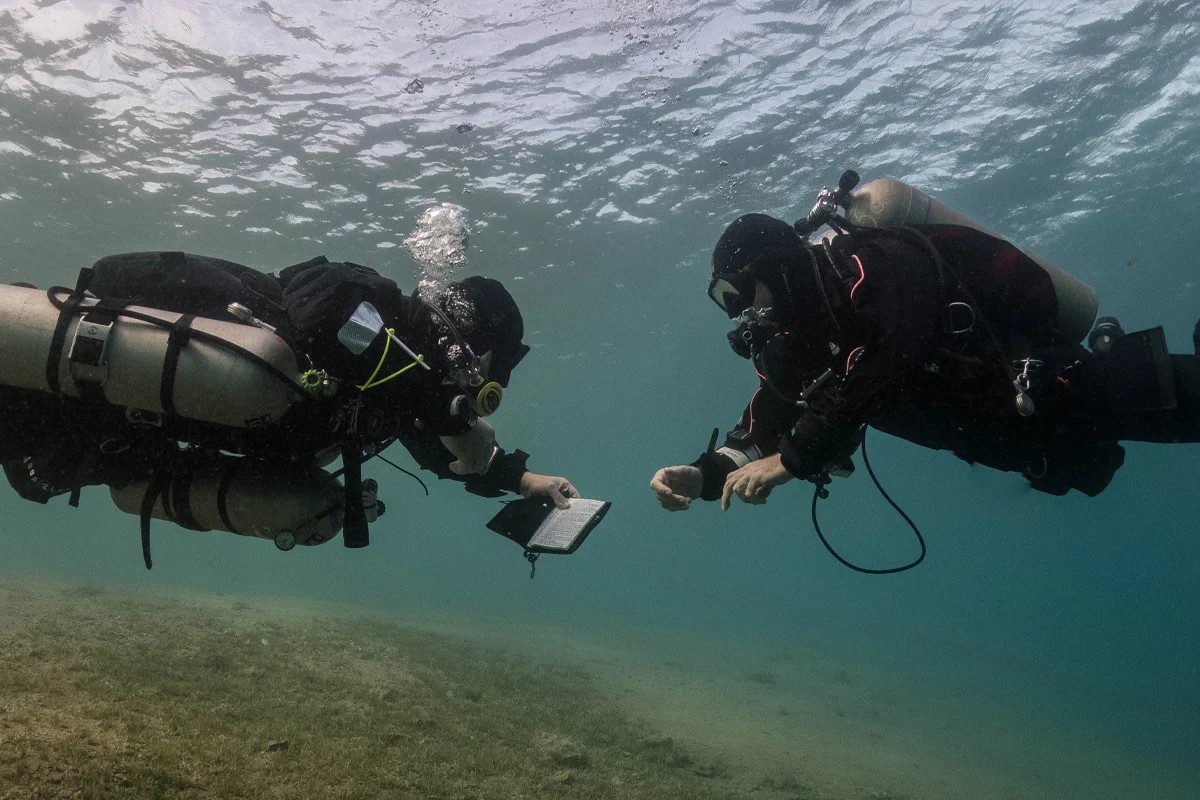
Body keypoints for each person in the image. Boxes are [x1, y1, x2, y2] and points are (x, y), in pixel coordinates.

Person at [0, 251, 578, 564]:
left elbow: (435, 449)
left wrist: (523, 478)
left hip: (103, 422)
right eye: (478, 366)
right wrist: (446, 409)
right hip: (86, 384)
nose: (471, 382)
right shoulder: (369, 300)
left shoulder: (400, 388)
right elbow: (320, 319)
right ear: (462, 337)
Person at [651, 202, 1200, 513]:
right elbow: (767, 420)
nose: (743, 312)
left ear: (779, 269)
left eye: (743, 292)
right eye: (727, 300)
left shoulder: (876, 265)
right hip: (1031, 439)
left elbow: (895, 351)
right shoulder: (797, 343)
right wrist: (705, 474)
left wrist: (797, 458)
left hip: (1059, 386)